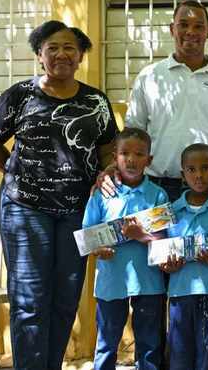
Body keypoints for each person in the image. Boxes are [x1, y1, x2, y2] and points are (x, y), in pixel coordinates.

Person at [0, 20, 118, 370]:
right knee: (29, 300)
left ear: (81, 55)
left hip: (78, 211)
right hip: (25, 210)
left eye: (69, 47)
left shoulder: (96, 101)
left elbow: (107, 149)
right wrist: (16, 172)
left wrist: (105, 171)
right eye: (52, 47)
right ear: (40, 55)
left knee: (65, 299)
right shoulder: (20, 96)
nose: (61, 54)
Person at [109, 0, 208, 201]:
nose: (190, 31)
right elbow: (132, 135)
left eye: (198, 26)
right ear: (172, 29)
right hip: (158, 189)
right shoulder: (149, 77)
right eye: (183, 25)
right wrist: (114, 168)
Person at [82, 128, 169, 370]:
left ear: (149, 160)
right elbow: (87, 236)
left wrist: (140, 235)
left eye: (139, 154)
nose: (131, 160)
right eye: (125, 153)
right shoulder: (103, 193)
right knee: (106, 343)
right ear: (115, 157)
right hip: (111, 281)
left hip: (149, 282)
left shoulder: (158, 195)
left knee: (149, 345)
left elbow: (164, 241)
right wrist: (99, 249)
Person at [160, 143, 208, 370]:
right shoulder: (171, 211)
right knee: (179, 355)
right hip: (179, 293)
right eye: (191, 169)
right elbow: (162, 254)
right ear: (183, 174)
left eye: (205, 168)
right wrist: (167, 266)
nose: (199, 175)